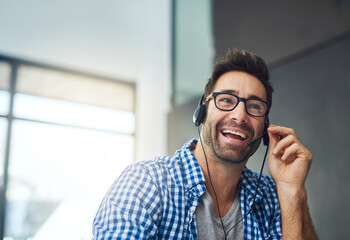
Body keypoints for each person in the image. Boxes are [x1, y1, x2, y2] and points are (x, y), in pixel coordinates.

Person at [92, 49, 317, 239]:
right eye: (226, 100)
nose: (240, 116)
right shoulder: (147, 183)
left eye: (255, 106)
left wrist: (291, 190)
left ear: (265, 125)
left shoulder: (270, 196)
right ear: (202, 112)